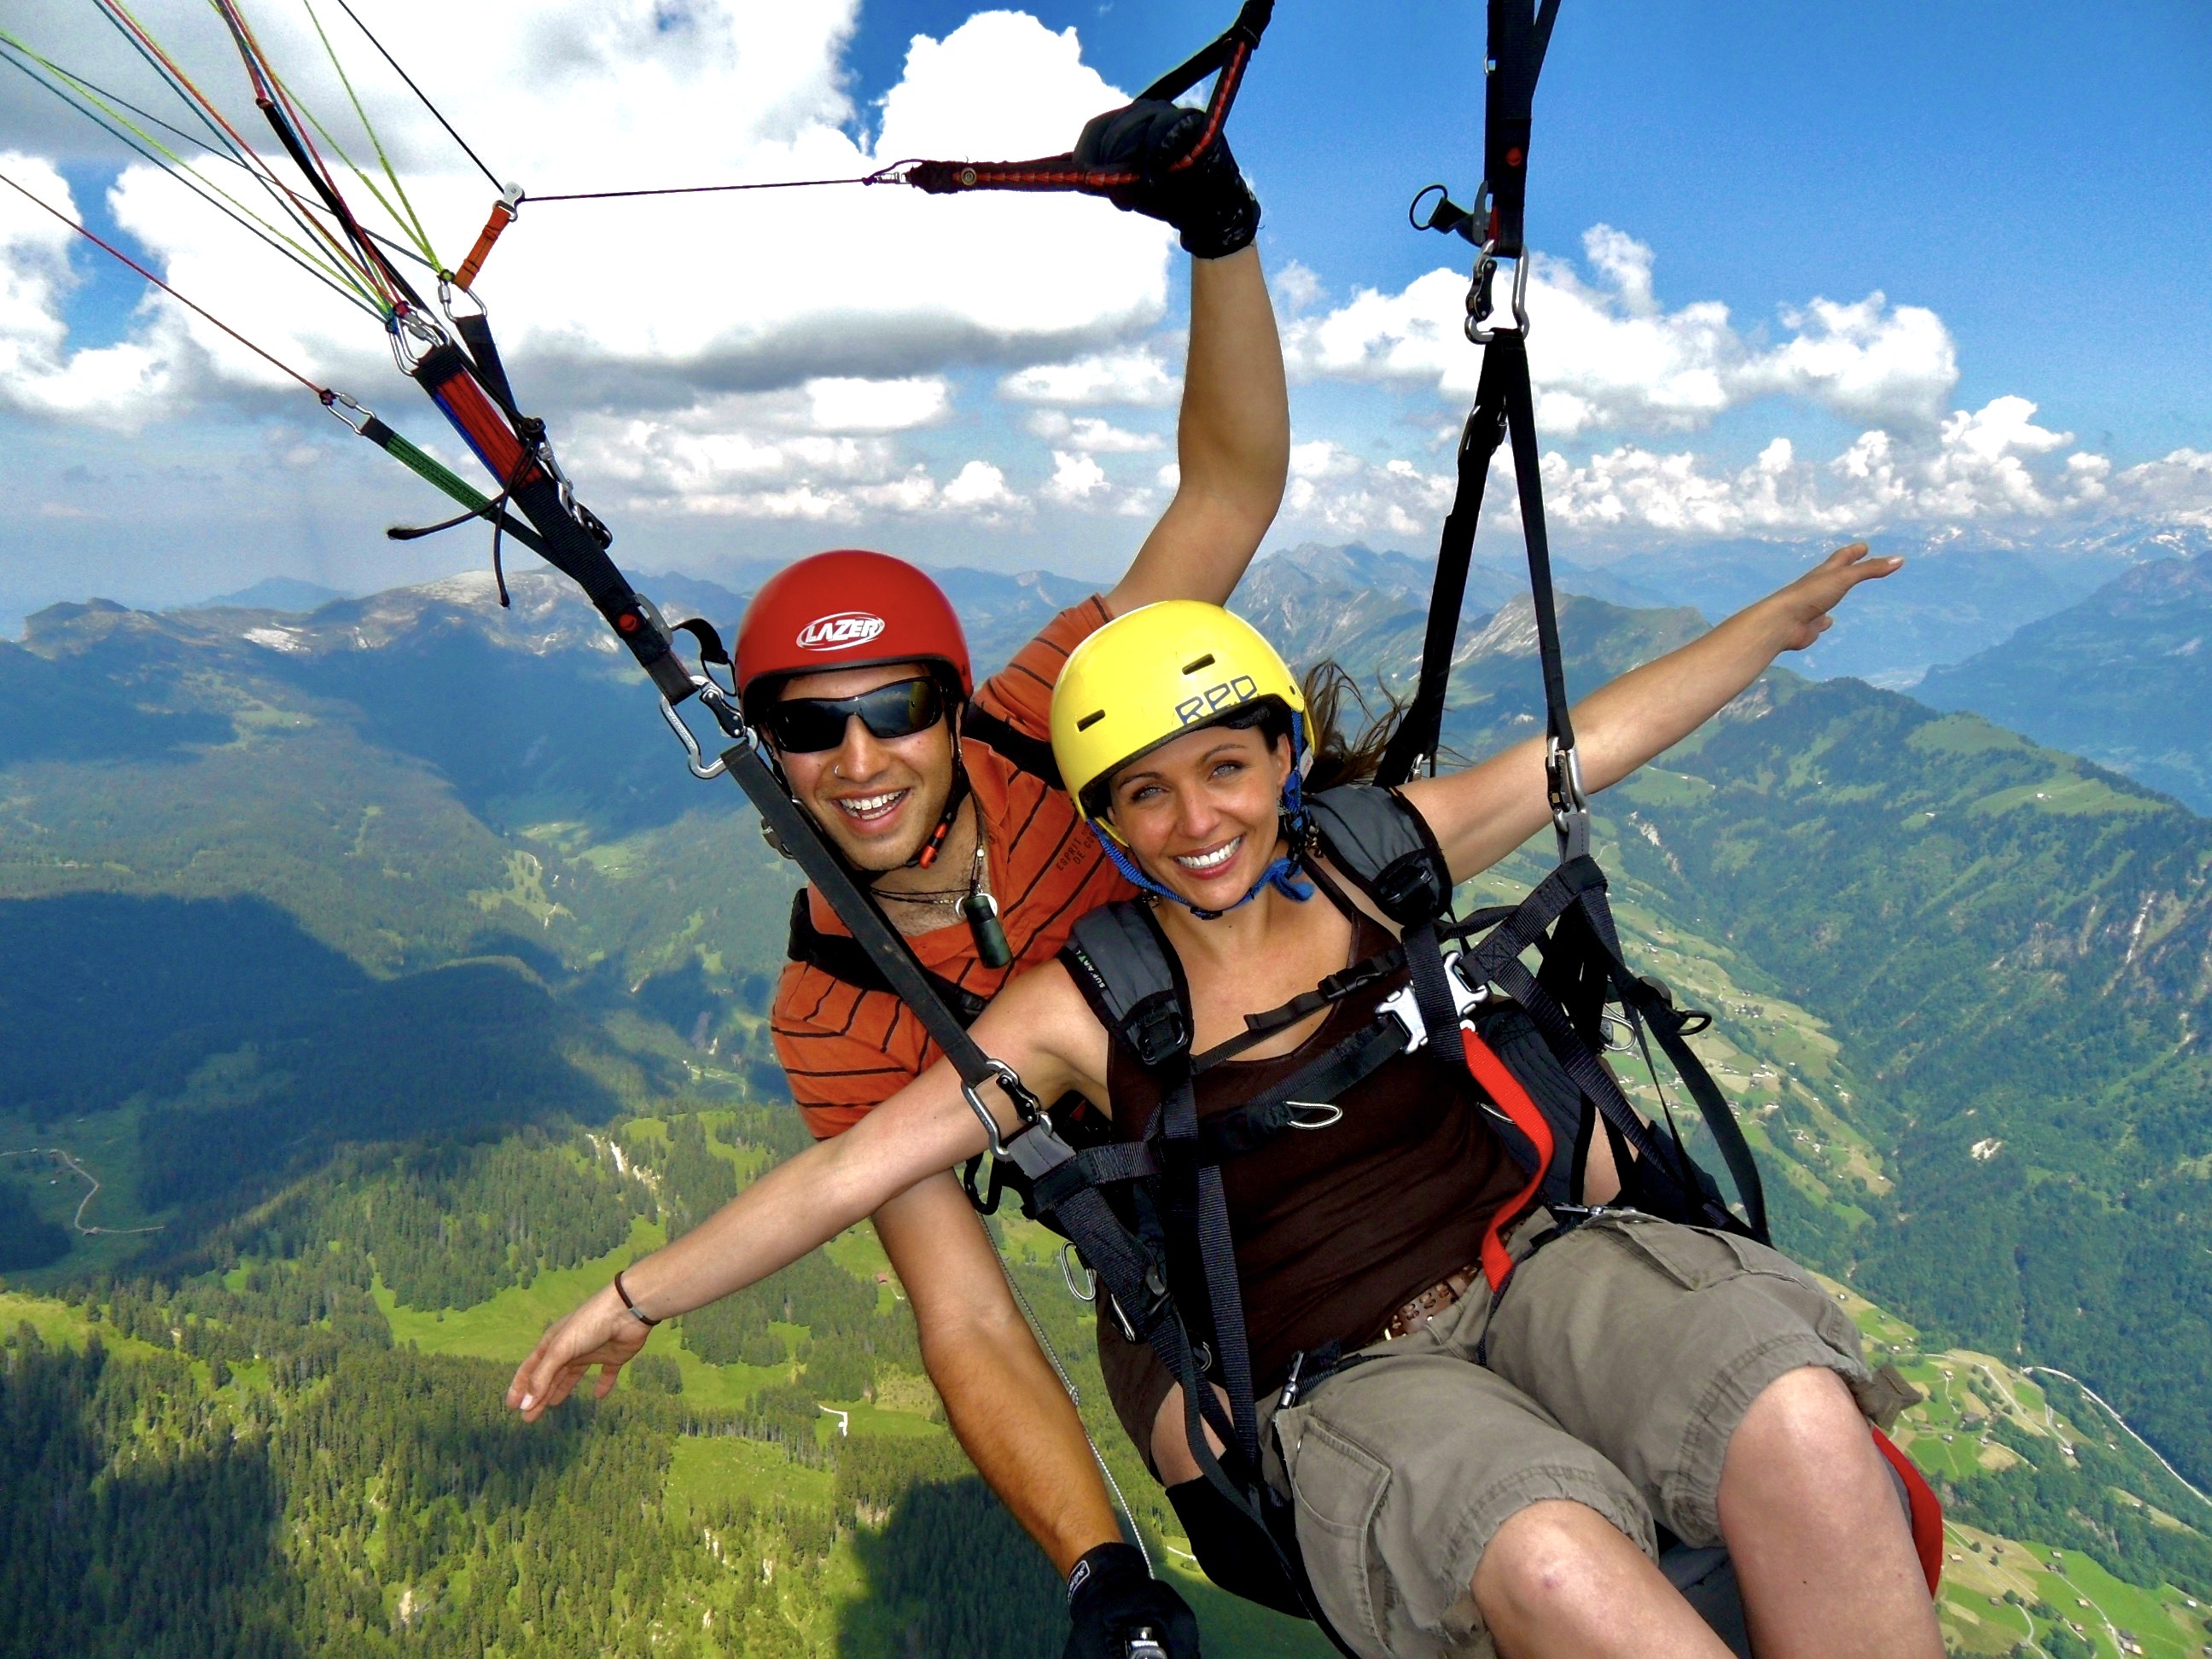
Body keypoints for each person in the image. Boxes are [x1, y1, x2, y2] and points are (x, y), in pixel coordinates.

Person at [512, 542, 1945, 1657]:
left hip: (1533, 1262)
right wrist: (635, 1298)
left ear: (1282, 764)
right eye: (1146, 795)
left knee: (1802, 1422)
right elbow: (850, 1176)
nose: (1198, 823)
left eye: (1225, 771)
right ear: (1103, 820)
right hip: (1341, 1378)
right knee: (1552, 1553)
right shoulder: (1073, 1011)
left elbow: (1589, 751)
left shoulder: (1373, 859)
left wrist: (1772, 625)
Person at [514, 95, 1286, 1658]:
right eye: (810, 727)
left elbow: (1228, 493)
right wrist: (1098, 1573)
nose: (860, 760)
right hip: (1185, 1242)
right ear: (768, 750)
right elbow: (968, 1311)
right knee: (1242, 1505)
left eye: (895, 712)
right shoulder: (843, 1015)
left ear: (951, 706)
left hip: (1330, 1087)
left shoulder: (1052, 722)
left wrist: (1218, 234)